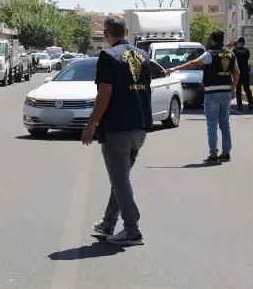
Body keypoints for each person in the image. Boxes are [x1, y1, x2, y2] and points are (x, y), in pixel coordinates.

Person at [80, 14, 157, 246]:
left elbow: (104, 94)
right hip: (140, 126)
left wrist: (91, 124)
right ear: (126, 33)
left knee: (120, 180)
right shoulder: (141, 54)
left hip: (117, 127)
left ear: (105, 35)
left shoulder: (108, 56)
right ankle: (108, 223)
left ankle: (132, 230)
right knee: (120, 179)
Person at [167, 29, 239, 163]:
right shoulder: (231, 54)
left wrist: (174, 69)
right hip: (226, 92)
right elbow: (237, 73)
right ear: (222, 39)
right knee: (225, 123)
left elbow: (193, 63)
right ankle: (226, 152)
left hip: (212, 93)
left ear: (212, 39)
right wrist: (233, 89)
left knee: (212, 124)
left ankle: (213, 154)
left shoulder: (210, 54)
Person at [232, 37, 253, 111]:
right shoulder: (247, 51)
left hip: (237, 72)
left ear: (239, 43)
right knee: (247, 88)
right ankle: (251, 104)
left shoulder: (234, 51)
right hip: (245, 71)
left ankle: (239, 105)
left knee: (238, 89)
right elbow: (247, 58)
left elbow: (233, 61)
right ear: (243, 43)